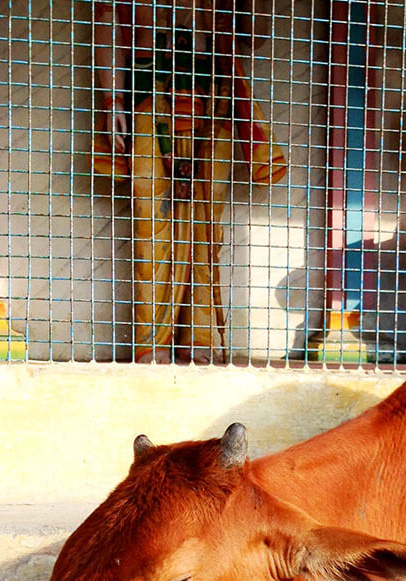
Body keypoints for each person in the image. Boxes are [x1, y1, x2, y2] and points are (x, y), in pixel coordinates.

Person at [92, 0, 284, 364]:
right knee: (153, 227)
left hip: (213, 101)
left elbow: (255, 36)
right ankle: (153, 341)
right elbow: (109, 20)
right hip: (149, 99)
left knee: (207, 227)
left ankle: (198, 337)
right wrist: (113, 100)